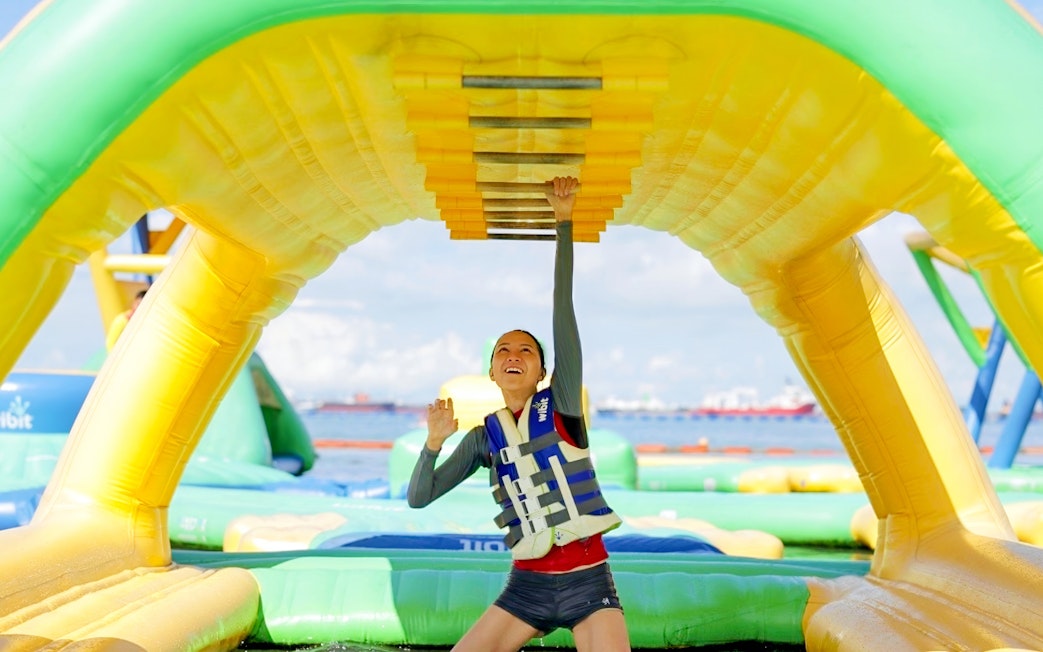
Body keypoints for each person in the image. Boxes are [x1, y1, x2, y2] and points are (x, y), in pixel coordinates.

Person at [407, 176, 631, 652]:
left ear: (542, 371)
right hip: (525, 590)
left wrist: (563, 222)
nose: (514, 355)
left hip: (588, 583)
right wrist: (433, 444)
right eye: (503, 351)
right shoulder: (482, 437)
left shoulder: (562, 404)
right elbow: (418, 499)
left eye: (526, 350)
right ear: (491, 372)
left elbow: (563, 308)